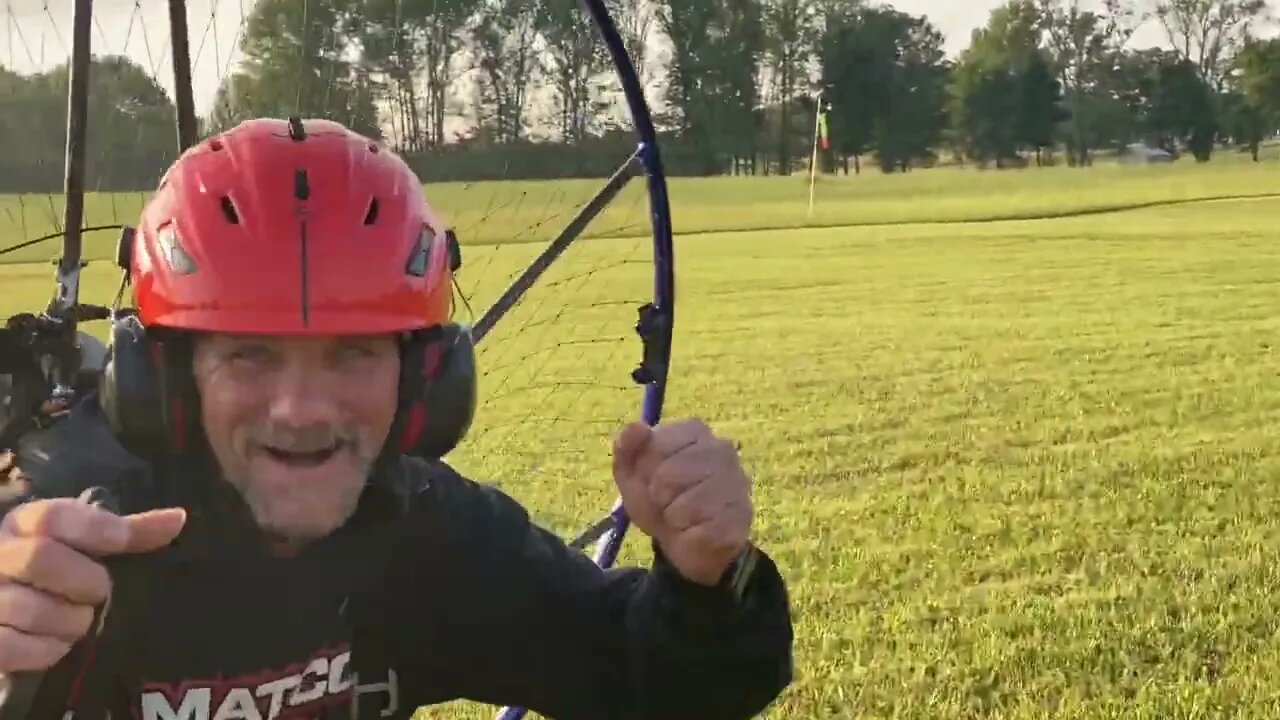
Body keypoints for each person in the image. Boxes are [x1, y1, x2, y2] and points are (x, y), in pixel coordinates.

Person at [0, 118, 794, 720]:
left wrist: (705, 582)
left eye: (353, 356)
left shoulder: (427, 534)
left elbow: (659, 685)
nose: (303, 410)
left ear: (425, 383)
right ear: (165, 384)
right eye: (250, 356)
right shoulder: (67, 531)